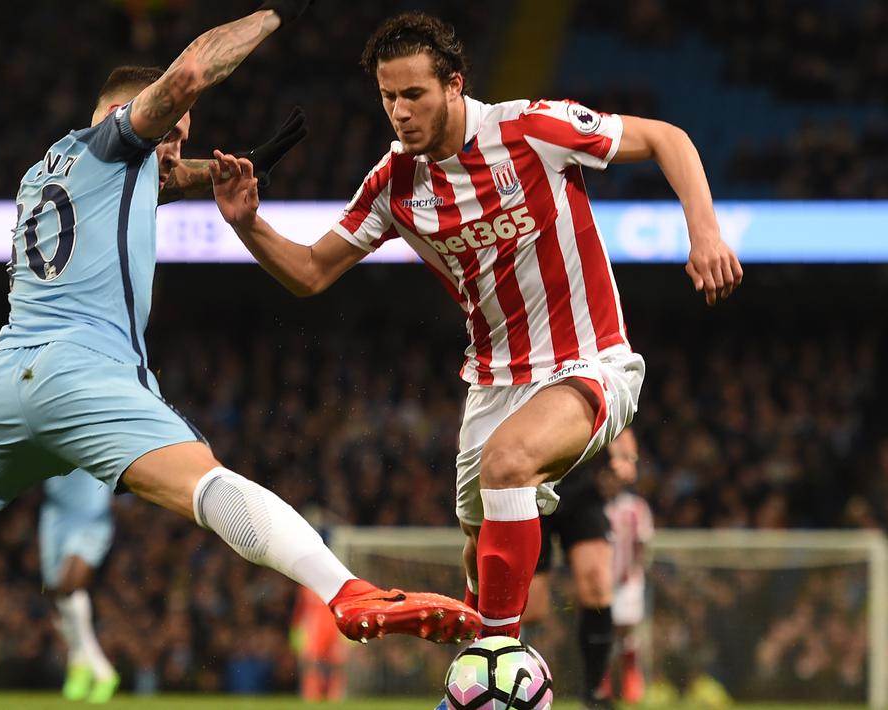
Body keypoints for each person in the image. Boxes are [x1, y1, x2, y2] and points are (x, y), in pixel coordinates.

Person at [0, 5, 478, 710]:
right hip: (81, 373)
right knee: (206, 482)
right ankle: (343, 591)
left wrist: (237, 167)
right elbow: (189, 74)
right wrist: (273, 15)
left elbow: (165, 177)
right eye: (169, 132)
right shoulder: (113, 142)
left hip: (6, 381)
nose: (173, 146)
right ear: (123, 114)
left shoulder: (48, 173)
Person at [210, 10, 741, 645]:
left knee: (509, 464)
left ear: (455, 85)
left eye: (414, 94)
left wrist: (705, 233)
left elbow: (667, 137)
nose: (400, 112)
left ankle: (498, 665)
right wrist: (247, 224)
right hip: (492, 385)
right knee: (478, 555)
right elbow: (311, 272)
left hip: (589, 359)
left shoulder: (529, 128)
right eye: (388, 97)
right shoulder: (393, 182)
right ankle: (483, 664)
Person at [520, 429, 640, 709]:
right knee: (531, 608)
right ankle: (508, 684)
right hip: (531, 487)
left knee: (598, 586)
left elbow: (619, 420)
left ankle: (595, 692)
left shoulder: (584, 384)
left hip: (582, 488)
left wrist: (626, 458)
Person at [40, 471, 119, 703]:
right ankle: (79, 662)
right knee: (55, 593)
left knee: (69, 586)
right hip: (56, 515)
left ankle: (102, 672)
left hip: (92, 516)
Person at [601, 435, 653, 704]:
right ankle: (605, 680)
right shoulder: (597, 507)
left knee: (627, 628)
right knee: (604, 630)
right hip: (601, 578)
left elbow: (641, 543)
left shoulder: (636, 507)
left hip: (628, 579)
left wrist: (632, 572)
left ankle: (631, 678)